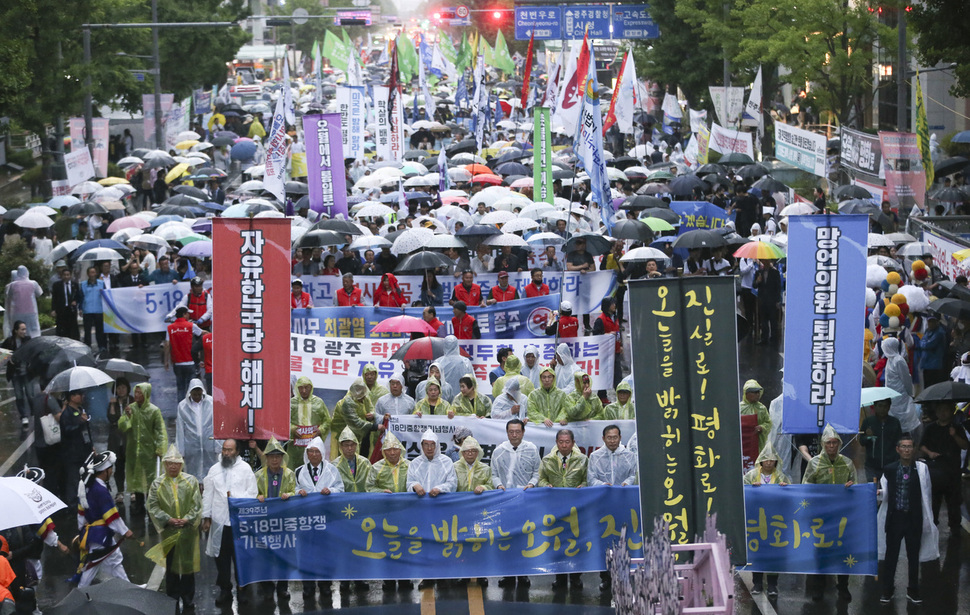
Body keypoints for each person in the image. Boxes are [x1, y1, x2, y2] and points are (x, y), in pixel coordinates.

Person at [878, 436, 938, 605]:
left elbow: (927, 494)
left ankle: (913, 590)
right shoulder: (889, 469)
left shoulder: (921, 469)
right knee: (891, 556)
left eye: (909, 447)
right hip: (895, 518)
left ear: (913, 450)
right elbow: (885, 493)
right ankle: (887, 590)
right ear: (898, 449)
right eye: (903, 447)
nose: (906, 450)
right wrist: (879, 494)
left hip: (913, 518)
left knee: (913, 556)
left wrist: (928, 518)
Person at [802, 424, 857, 601]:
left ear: (839, 444)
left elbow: (856, 485)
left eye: (834, 443)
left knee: (843, 551)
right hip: (822, 516)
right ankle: (819, 588)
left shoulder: (847, 463)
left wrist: (851, 486)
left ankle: (843, 587)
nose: (831, 446)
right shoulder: (814, 463)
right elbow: (806, 486)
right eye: (828, 443)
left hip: (842, 516)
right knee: (821, 553)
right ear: (823, 445)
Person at [147, 445, 203, 614]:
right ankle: (172, 597)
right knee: (171, 566)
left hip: (187, 532)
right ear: (165, 464)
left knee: (187, 566)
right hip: (169, 531)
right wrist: (167, 519)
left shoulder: (190, 481)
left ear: (181, 464)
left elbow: (197, 504)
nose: (173, 466)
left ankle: (187, 598)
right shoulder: (158, 484)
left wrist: (187, 519)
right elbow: (152, 505)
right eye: (169, 463)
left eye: (176, 463)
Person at [203, 439, 258, 606]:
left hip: (239, 522)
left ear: (237, 451)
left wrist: (237, 501)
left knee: (241, 557)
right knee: (221, 559)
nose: (226, 453)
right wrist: (206, 517)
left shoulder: (245, 469)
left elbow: (253, 492)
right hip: (220, 522)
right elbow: (208, 495)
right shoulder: (214, 470)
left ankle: (242, 590)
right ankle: (225, 590)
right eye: (224, 450)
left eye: (230, 450)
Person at [76, 451, 133, 587]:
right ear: (105, 471)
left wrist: (81, 528)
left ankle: (129, 587)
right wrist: (125, 531)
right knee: (91, 566)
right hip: (99, 534)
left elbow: (81, 512)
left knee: (114, 559)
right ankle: (80, 591)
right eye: (111, 468)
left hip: (95, 532)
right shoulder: (100, 490)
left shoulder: (88, 486)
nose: (112, 471)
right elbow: (111, 516)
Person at [539, 429, 588, 590]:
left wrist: (584, 485)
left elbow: (588, 479)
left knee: (576, 543)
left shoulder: (583, 459)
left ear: (573, 443)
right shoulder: (547, 460)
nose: (564, 445)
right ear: (556, 442)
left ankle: (575, 577)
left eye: (567, 442)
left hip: (577, 508)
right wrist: (546, 485)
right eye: (561, 442)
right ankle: (559, 577)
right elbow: (541, 479)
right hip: (555, 508)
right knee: (557, 543)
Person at [742, 442, 790, 596]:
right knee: (757, 551)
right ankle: (757, 583)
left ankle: (772, 585)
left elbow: (790, 496)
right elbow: (742, 492)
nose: (769, 463)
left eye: (772, 460)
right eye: (766, 459)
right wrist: (751, 489)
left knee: (774, 552)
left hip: (775, 521)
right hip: (756, 520)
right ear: (761, 460)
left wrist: (785, 488)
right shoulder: (750, 476)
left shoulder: (781, 476)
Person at [253, 438, 295, 603]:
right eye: (271, 456)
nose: (275, 459)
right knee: (265, 555)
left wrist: (289, 495)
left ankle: (283, 588)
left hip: (284, 522)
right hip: (265, 523)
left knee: (284, 556)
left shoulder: (289, 474)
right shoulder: (258, 475)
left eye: (278, 456)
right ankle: (267, 588)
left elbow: (295, 491)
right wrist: (258, 497)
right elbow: (251, 494)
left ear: (282, 457)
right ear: (266, 458)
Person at [117, 382, 167, 518]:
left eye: (140, 392)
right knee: (136, 479)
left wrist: (160, 448)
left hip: (149, 451)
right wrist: (127, 416)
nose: (137, 395)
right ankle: (139, 506)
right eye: (136, 392)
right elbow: (123, 426)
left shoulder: (154, 411)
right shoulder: (130, 409)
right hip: (134, 451)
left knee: (150, 480)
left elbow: (160, 431)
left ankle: (152, 507)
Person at [919, 401, 968, 532]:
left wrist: (954, 435)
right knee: (933, 501)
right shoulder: (930, 428)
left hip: (953, 471)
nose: (942, 413)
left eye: (945, 410)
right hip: (934, 471)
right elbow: (922, 445)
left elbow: (965, 445)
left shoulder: (956, 427)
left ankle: (955, 528)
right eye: (940, 410)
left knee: (954, 502)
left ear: (951, 411)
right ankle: (932, 526)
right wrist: (930, 453)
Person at [58, 390, 94, 511]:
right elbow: (67, 430)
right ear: (72, 397)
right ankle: (73, 506)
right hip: (72, 454)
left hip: (84, 451)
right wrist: (79, 422)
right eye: (78, 394)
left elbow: (86, 431)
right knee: (73, 480)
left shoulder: (81, 410)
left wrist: (91, 445)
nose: (81, 396)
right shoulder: (66, 413)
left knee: (87, 477)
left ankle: (86, 502)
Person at [175, 379, 217, 481]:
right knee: (192, 473)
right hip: (191, 446)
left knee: (211, 473)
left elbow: (217, 423)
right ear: (190, 392)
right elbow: (180, 429)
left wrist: (219, 446)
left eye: (199, 393)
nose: (197, 396)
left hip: (209, 444)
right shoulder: (183, 406)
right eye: (194, 394)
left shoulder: (211, 403)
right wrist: (180, 452)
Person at [288, 376, 330, 469]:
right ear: (297, 388)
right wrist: (292, 429)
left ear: (311, 388)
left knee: (315, 467)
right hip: (295, 447)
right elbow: (284, 421)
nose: (303, 391)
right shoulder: (291, 403)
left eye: (306, 387)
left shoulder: (318, 402)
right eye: (301, 388)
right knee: (295, 469)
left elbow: (327, 420)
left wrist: (320, 430)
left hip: (314, 444)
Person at [164, 307, 203, 402]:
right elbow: (202, 333)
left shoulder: (170, 328)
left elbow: (167, 345)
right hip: (190, 362)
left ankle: (181, 411)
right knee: (192, 389)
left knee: (180, 389)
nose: (189, 315)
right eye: (188, 313)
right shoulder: (191, 325)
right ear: (184, 314)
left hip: (177, 363)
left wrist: (166, 361)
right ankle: (192, 410)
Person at [330, 382, 377, 458]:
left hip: (360, 432)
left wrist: (372, 414)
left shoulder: (363, 396)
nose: (364, 397)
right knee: (345, 456)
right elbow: (356, 423)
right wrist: (375, 426)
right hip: (343, 433)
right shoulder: (347, 403)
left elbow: (371, 407)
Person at [861, 398, 903, 482]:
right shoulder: (868, 422)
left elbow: (899, 441)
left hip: (891, 464)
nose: (882, 409)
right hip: (872, 465)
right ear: (875, 406)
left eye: (885, 406)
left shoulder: (895, 422)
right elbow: (861, 441)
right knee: (873, 490)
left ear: (889, 407)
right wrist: (868, 437)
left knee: (889, 490)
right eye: (880, 406)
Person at [407, 429, 457, 496]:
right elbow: (409, 483)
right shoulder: (415, 463)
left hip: (441, 502)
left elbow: (452, 483)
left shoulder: (446, 462)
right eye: (426, 444)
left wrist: (440, 489)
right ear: (422, 446)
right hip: (420, 503)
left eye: (432, 444)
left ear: (437, 445)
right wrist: (414, 486)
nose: (429, 448)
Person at [2, 321, 32, 431]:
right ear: (16, 331)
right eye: (22, 329)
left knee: (30, 394)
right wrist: (9, 359)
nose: (24, 331)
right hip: (15, 373)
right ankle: (24, 416)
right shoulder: (9, 341)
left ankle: (33, 412)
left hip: (26, 372)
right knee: (19, 395)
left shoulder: (28, 340)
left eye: (25, 329)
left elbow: (32, 353)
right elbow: (3, 352)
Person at [4, 266, 42, 339]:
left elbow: (9, 296)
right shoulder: (33, 283)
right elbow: (39, 293)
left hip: (16, 312)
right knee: (33, 330)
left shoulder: (12, 285)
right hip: (31, 312)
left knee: (19, 330)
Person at [592, 297, 622, 387]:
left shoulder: (615, 317)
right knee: (604, 374)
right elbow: (596, 335)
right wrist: (607, 334)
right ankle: (602, 395)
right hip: (605, 352)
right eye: (612, 304)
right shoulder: (600, 320)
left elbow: (618, 332)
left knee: (618, 375)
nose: (614, 305)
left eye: (614, 303)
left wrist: (621, 345)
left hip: (615, 350)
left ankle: (619, 393)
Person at [334, 427, 372, 493]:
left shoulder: (365, 463)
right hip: (344, 501)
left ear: (356, 445)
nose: (349, 448)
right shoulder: (335, 465)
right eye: (346, 445)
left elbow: (371, 482)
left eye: (352, 445)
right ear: (341, 446)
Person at [78, 266, 107, 352]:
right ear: (88, 274)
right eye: (91, 272)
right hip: (87, 310)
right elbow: (81, 297)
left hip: (99, 309)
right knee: (87, 330)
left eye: (94, 272)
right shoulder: (83, 284)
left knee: (100, 330)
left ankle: (102, 346)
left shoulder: (101, 283)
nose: (92, 274)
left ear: (96, 273)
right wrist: (80, 308)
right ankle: (87, 347)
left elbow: (106, 296)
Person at [740, 380, 771, 453]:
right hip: (743, 442)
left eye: (758, 392)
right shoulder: (739, 408)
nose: (757, 395)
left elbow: (768, 423)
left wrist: (761, 427)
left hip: (758, 443)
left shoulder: (762, 408)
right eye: (754, 392)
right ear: (746, 393)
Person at [50, 267, 81, 339]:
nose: (66, 276)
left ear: (70, 276)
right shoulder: (57, 285)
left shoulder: (74, 285)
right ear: (61, 276)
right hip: (61, 309)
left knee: (73, 327)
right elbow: (54, 298)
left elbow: (79, 296)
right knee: (61, 328)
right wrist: (53, 309)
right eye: (64, 275)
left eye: (68, 275)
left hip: (71, 310)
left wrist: (75, 301)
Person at [918, 315, 949, 387]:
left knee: (933, 385)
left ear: (937, 322)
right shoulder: (927, 331)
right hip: (926, 363)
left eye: (932, 321)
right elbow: (921, 343)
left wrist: (924, 343)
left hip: (934, 365)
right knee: (926, 385)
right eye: (929, 321)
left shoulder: (940, 332)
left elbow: (928, 345)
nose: (930, 323)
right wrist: (923, 343)